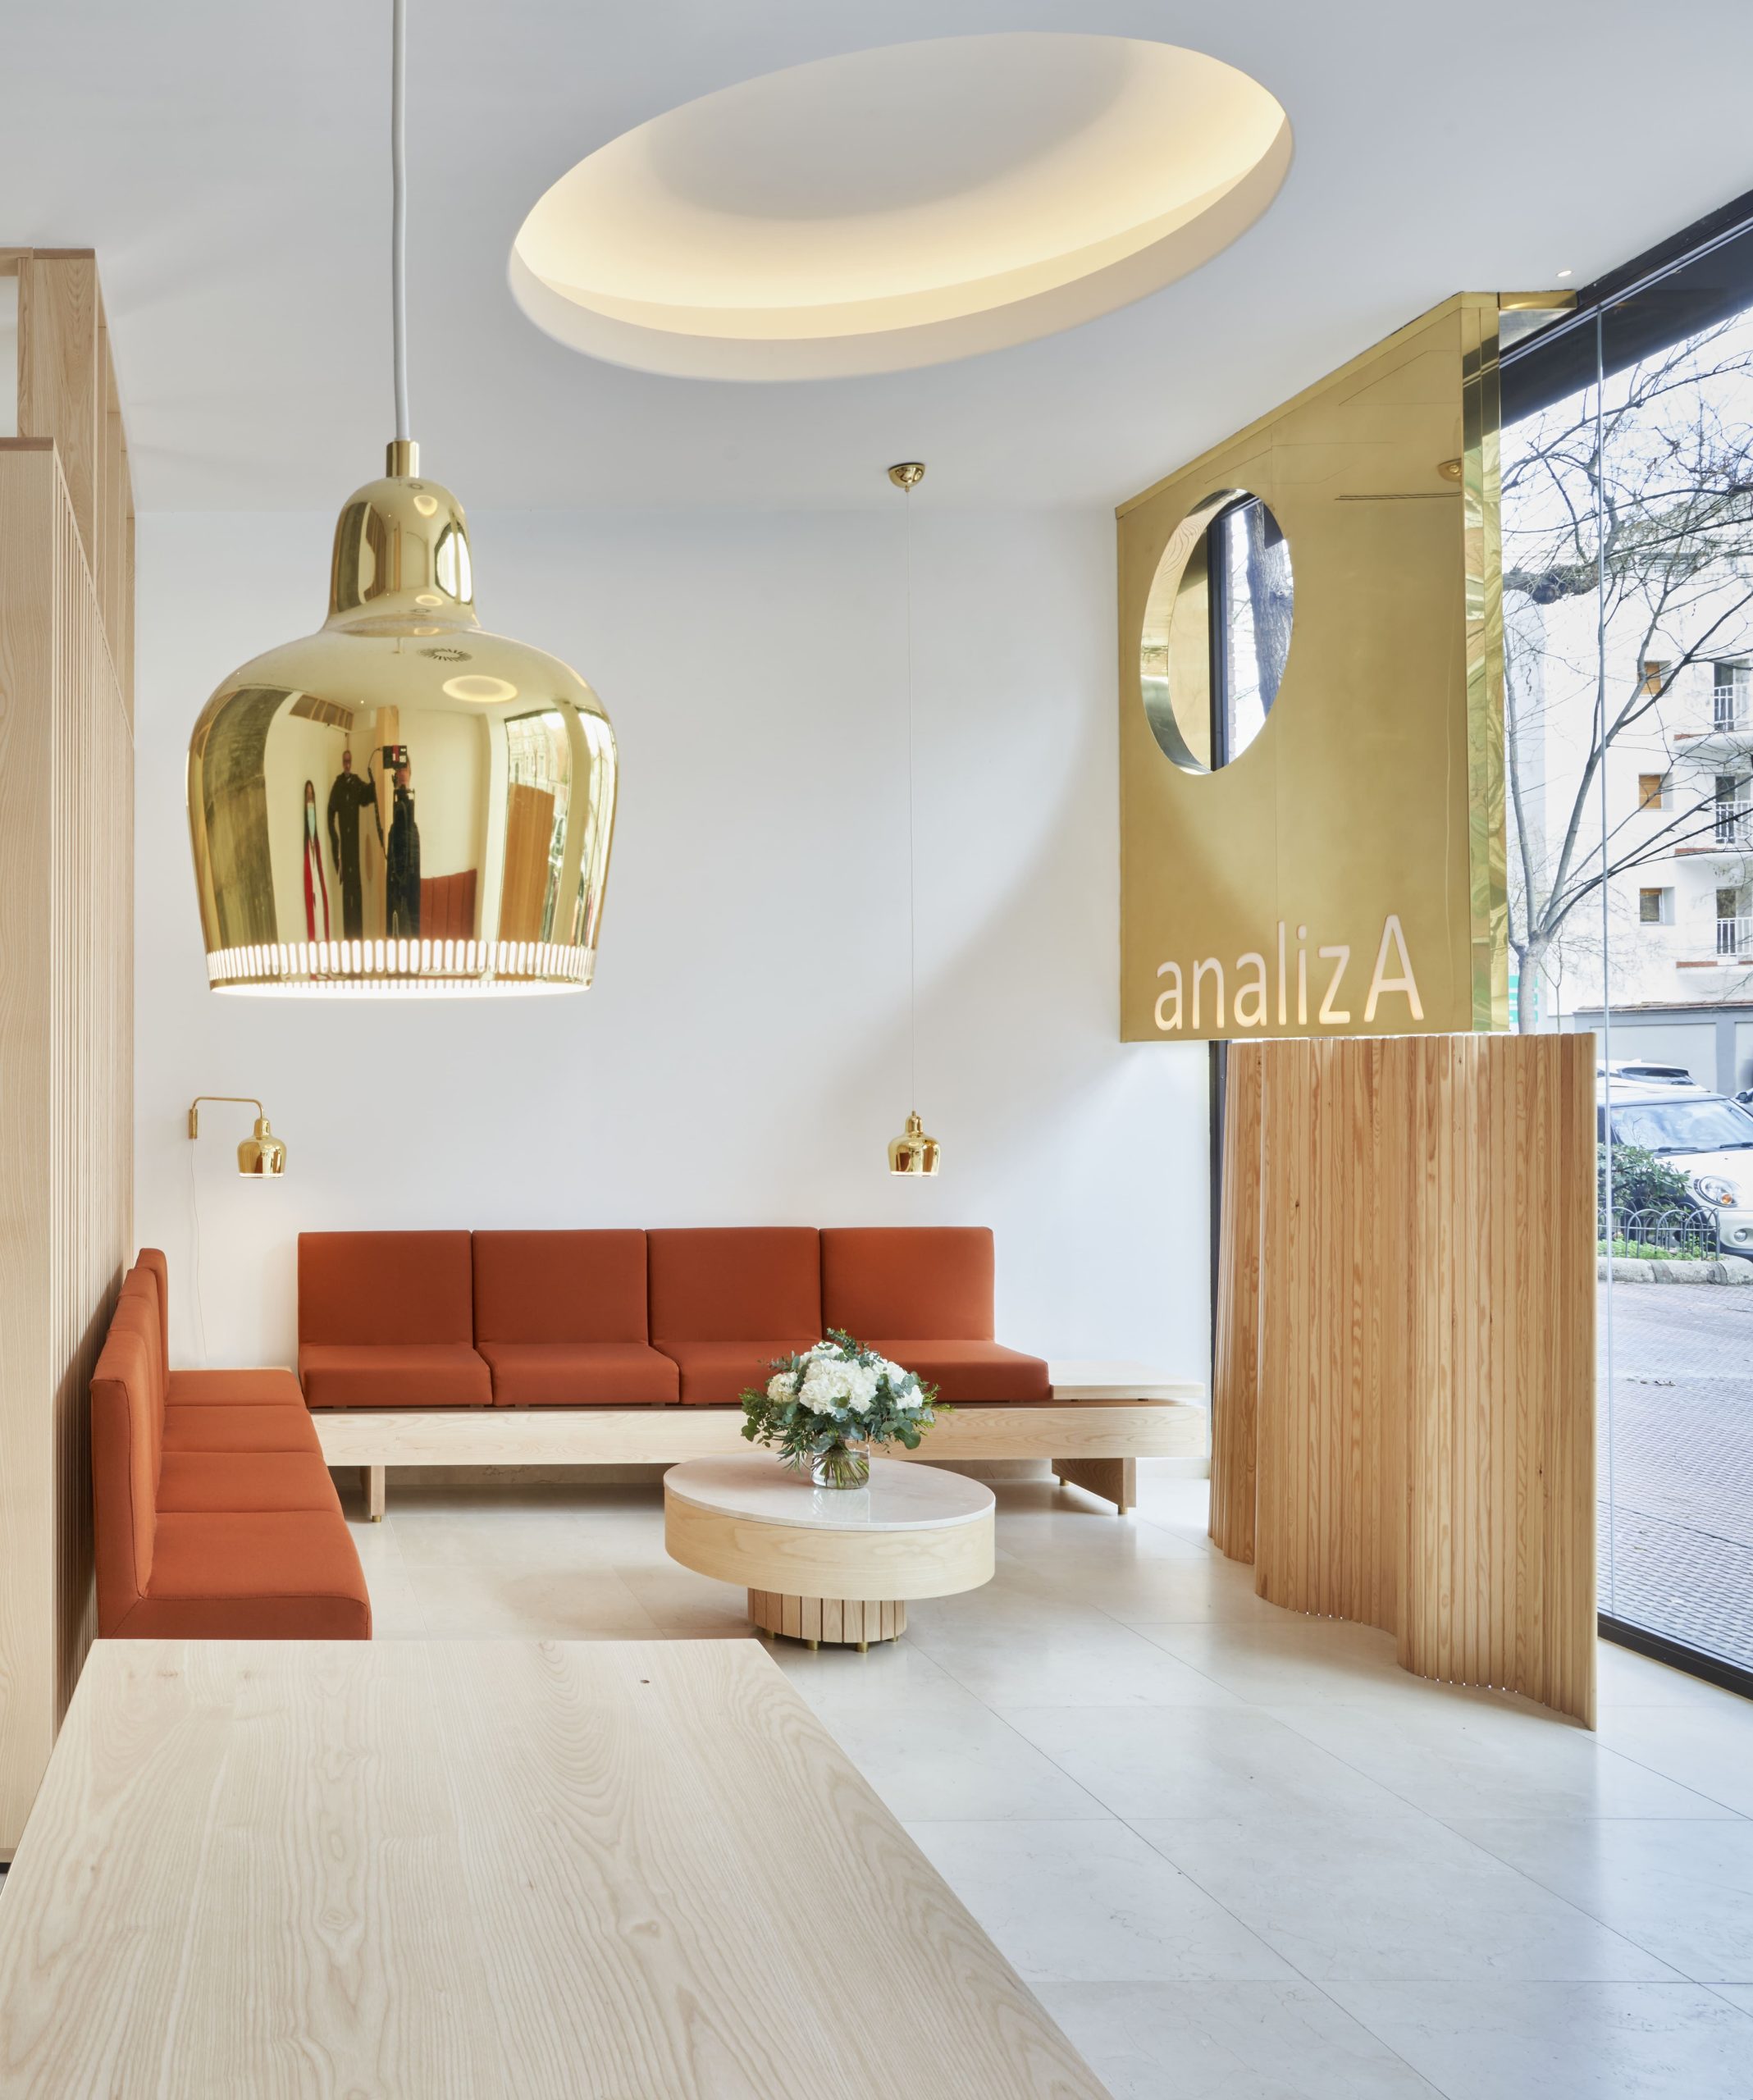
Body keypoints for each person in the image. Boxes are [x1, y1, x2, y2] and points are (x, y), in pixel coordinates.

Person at [371, 745, 422, 938]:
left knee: (409, 930)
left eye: (405, 768)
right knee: (396, 930)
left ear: (410, 772)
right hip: (396, 889)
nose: (402, 773)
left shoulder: (413, 827)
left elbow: (414, 871)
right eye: (399, 769)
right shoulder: (393, 828)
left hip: (410, 886)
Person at [326, 744, 376, 938]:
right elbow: (330, 812)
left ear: (351, 763)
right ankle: (349, 939)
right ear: (342, 763)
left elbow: (367, 794)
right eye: (345, 761)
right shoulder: (338, 786)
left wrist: (376, 782)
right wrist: (335, 841)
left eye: (349, 761)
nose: (347, 764)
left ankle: (359, 939)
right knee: (347, 894)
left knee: (357, 889)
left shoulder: (355, 783)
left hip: (355, 847)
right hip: (345, 849)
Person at [301, 778, 331, 942]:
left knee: (321, 909)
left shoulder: (317, 844)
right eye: (308, 795)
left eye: (312, 795)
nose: (310, 799)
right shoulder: (307, 845)